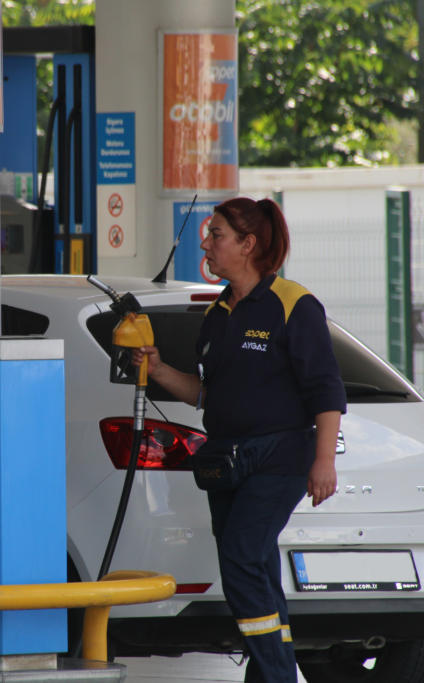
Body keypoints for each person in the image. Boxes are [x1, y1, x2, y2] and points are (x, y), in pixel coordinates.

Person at [133, 197, 346, 683]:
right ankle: (274, 672)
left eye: (217, 235)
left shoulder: (293, 304)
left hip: (279, 457)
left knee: (241, 559)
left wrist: (324, 461)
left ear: (248, 244)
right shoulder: (217, 313)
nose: (207, 244)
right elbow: (208, 393)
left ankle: (275, 676)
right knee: (258, 568)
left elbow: (325, 389)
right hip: (228, 462)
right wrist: (159, 369)